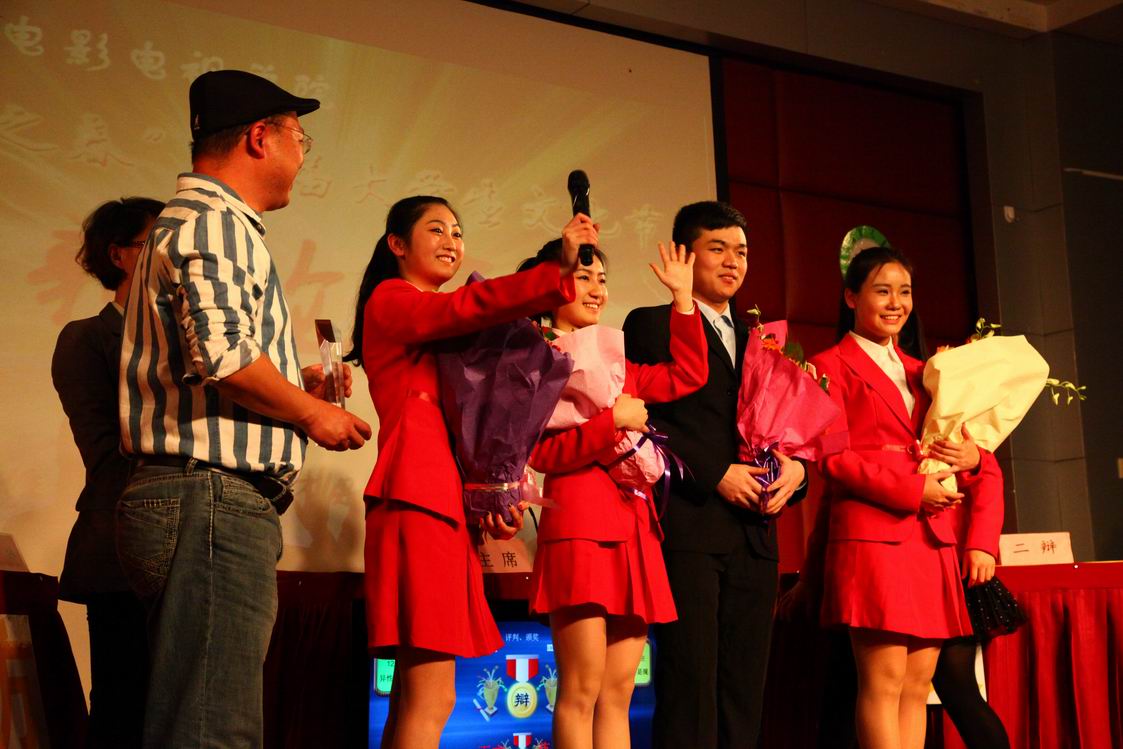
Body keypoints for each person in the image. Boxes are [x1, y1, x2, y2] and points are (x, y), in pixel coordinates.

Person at [117, 70, 371, 748]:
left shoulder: (196, 221)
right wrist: (312, 413)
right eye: (300, 138)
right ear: (260, 137)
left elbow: (208, 357)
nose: (303, 154)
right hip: (210, 499)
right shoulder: (216, 221)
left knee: (194, 719)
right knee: (212, 729)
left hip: (200, 499)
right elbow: (223, 355)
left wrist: (297, 389)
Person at [346, 196, 590, 748]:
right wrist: (555, 272)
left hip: (434, 502)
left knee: (414, 698)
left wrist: (492, 498)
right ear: (397, 244)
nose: (451, 241)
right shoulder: (393, 298)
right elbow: (466, 306)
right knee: (431, 698)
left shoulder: (435, 326)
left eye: (457, 232)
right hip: (416, 499)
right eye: (436, 230)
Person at [622, 201, 807, 748]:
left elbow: (788, 426)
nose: (733, 262)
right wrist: (714, 473)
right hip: (690, 526)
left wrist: (797, 471)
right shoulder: (650, 323)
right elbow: (644, 421)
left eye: (741, 252)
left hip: (755, 534)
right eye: (718, 249)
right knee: (690, 683)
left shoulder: (761, 340)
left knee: (744, 689)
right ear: (685, 255)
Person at [804, 244, 1000, 749]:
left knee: (917, 685)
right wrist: (913, 489)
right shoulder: (827, 366)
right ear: (851, 297)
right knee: (883, 681)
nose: (896, 303)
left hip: (929, 540)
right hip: (873, 537)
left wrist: (968, 458)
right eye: (882, 291)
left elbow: (971, 454)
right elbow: (833, 460)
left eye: (905, 292)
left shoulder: (927, 372)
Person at [521, 238, 707, 748]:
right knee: (581, 690)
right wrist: (612, 422)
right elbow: (542, 455)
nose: (596, 289)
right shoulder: (533, 360)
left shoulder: (616, 363)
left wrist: (683, 301)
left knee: (619, 693)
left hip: (634, 528)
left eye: (601, 279)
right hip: (579, 528)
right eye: (583, 277)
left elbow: (689, 374)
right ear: (552, 284)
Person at [52, 197, 162, 748]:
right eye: (156, 244)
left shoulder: (194, 342)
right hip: (120, 540)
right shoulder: (86, 338)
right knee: (123, 703)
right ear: (119, 255)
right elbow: (104, 450)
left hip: (194, 544)